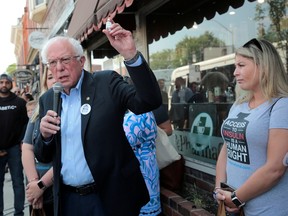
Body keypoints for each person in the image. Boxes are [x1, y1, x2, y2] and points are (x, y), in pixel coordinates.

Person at [33, 21, 162, 216]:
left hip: (110, 198)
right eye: (52, 63)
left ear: (81, 61)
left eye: (65, 60)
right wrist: (44, 136)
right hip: (69, 201)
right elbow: (42, 155)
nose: (59, 68)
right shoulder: (48, 99)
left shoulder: (106, 82)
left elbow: (148, 101)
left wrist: (130, 55)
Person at [214, 38, 288, 216]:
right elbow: (227, 148)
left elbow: (275, 168)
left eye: (241, 65)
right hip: (233, 208)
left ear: (264, 66)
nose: (235, 72)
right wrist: (219, 189)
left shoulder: (281, 106)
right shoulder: (239, 104)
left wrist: (237, 198)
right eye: (235, 66)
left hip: (268, 210)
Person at [22, 68, 56, 215]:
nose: (55, 79)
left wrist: (41, 186)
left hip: (59, 185)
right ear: (45, 83)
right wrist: (33, 183)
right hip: (38, 185)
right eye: (50, 77)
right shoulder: (37, 112)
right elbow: (27, 148)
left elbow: (69, 157)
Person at [0, 73, 28, 216]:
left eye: (7, 82)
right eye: (1, 82)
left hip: (14, 149)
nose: (4, 85)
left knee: (18, 182)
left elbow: (25, 125)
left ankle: (19, 212)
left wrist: (22, 142)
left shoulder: (19, 103)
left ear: (11, 84)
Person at [123, 110, 161, 216]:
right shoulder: (148, 112)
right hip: (149, 167)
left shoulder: (136, 115)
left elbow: (124, 142)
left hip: (140, 170)